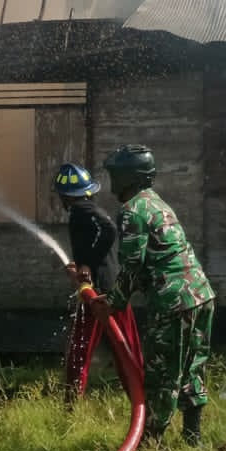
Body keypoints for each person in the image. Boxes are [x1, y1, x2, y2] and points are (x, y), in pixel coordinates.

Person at [88, 144, 216, 448]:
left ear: (128, 178)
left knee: (162, 374)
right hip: (201, 294)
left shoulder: (132, 211)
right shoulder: (158, 204)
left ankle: (150, 443)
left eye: (115, 176)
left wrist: (114, 303)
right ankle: (192, 439)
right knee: (192, 367)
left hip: (172, 302)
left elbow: (131, 266)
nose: (111, 183)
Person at [55, 162, 137, 402]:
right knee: (127, 349)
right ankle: (140, 397)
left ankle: (71, 403)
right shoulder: (86, 208)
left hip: (98, 294)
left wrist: (87, 264)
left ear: (65, 196)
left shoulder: (81, 210)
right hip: (112, 288)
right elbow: (96, 241)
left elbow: (109, 229)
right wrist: (79, 263)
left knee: (80, 351)